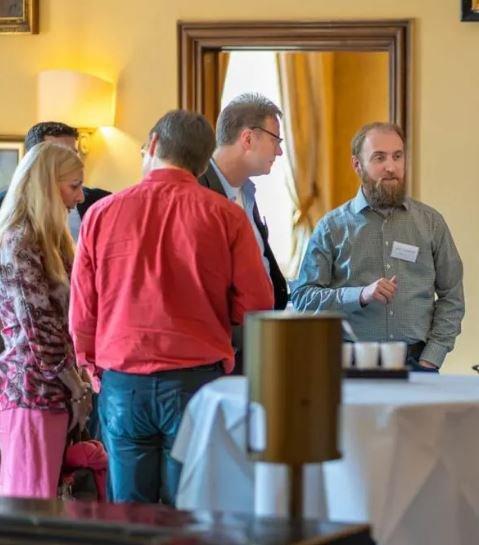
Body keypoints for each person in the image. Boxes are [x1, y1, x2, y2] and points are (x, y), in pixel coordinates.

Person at [69, 109, 274, 505]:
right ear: (203, 162)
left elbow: (83, 308)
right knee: (192, 507)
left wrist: (92, 368)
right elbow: (257, 302)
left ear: (154, 144)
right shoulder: (226, 216)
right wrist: (215, 318)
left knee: (128, 511)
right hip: (196, 380)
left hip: (124, 380)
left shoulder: (101, 214)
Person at [291, 122, 464, 372]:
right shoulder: (331, 227)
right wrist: (360, 295)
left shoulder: (431, 223)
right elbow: (303, 298)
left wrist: (430, 359)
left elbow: (452, 298)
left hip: (418, 363)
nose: (391, 167)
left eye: (397, 156)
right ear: (357, 164)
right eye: (379, 158)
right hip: (350, 363)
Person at [0, 142, 92, 499]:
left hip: (52, 394)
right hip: (32, 394)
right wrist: (77, 387)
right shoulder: (19, 241)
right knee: (32, 508)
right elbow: (40, 328)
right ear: (47, 186)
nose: (80, 196)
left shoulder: (50, 241)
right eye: (73, 186)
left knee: (49, 504)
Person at [198, 93, 288, 373]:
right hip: (219, 350)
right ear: (248, 138)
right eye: (275, 140)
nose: (279, 152)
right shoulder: (197, 192)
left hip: (252, 344)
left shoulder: (246, 191)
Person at [0, 122, 110, 241]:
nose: (69, 161)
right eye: (57, 155)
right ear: (34, 158)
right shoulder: (5, 207)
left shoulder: (100, 202)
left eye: (72, 154)